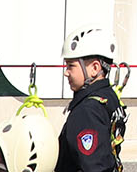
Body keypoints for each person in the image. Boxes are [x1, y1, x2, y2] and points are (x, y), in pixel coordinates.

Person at [54, 28, 124, 172]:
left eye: (71, 66)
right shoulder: (109, 97)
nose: (66, 72)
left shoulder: (87, 111)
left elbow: (94, 167)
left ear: (94, 68)